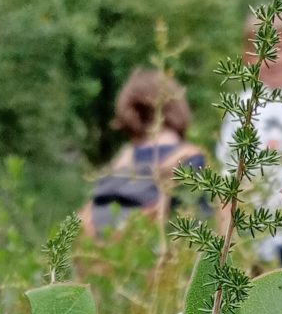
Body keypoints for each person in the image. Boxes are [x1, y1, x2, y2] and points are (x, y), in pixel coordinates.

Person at [216, 11, 282, 264]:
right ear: (246, 56)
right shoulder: (241, 108)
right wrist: (225, 245)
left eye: (278, 49)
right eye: (258, 51)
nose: (269, 60)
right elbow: (228, 181)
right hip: (259, 244)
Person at [83, 68, 206, 236]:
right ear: (177, 106)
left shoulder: (118, 165)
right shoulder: (192, 161)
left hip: (106, 249)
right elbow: (201, 232)